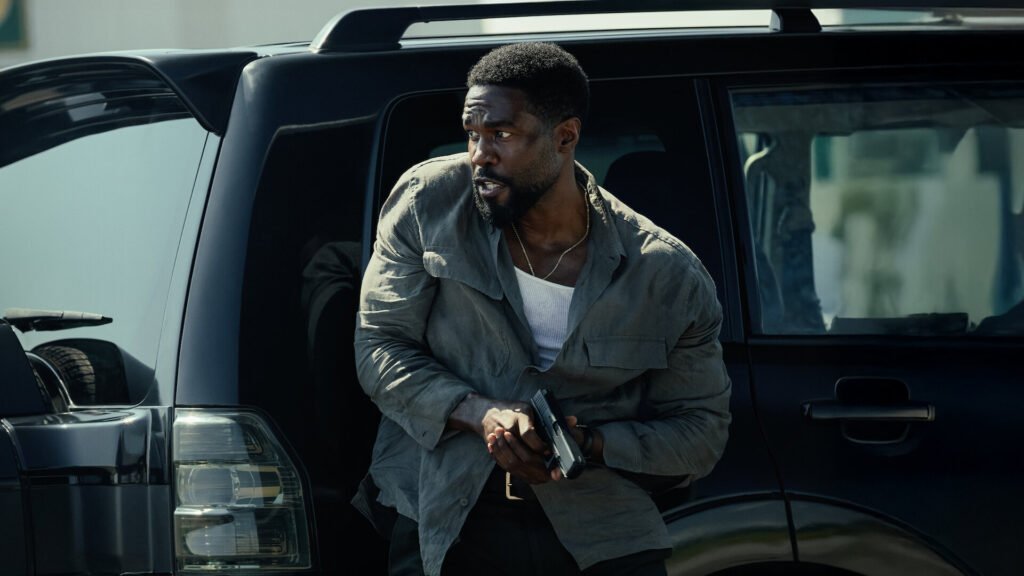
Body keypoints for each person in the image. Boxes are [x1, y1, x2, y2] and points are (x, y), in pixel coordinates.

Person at [353, 42, 731, 576]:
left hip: (598, 528)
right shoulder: (427, 203)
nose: (479, 154)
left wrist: (589, 443)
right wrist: (480, 413)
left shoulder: (666, 275)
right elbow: (379, 345)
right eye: (472, 133)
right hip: (443, 511)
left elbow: (700, 432)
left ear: (565, 136)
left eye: (502, 135)